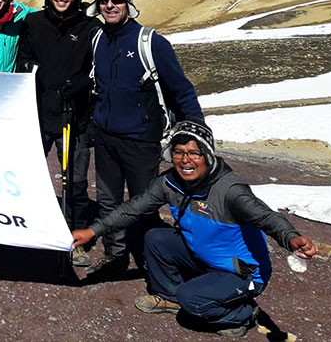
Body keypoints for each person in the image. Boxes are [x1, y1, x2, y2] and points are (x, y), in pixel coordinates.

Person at [72, 121, 316, 338]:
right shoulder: (169, 183)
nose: (185, 160)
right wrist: (93, 231)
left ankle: (242, 314)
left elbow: (267, 217)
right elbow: (133, 208)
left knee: (193, 300)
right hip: (204, 258)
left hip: (243, 273)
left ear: (207, 156)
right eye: (178, 152)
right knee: (157, 237)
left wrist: (291, 238)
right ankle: (170, 297)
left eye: (193, 153)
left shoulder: (230, 191)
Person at [85, 0, 205, 279]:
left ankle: (155, 265)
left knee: (145, 205)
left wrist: (198, 132)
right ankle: (115, 256)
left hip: (141, 141)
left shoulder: (151, 43)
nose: (110, 5)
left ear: (128, 4)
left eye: (117, 0)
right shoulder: (98, 38)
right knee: (108, 201)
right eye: (105, 0)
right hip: (106, 137)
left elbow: (181, 90)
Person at [15, 0, 99, 267]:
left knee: (75, 181)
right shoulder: (34, 23)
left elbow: (96, 69)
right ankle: (27, 227)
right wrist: (31, 73)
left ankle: (73, 237)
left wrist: (82, 83)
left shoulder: (90, 28)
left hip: (74, 116)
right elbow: (23, 58)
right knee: (29, 173)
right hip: (39, 113)